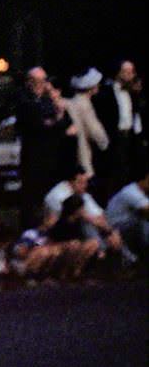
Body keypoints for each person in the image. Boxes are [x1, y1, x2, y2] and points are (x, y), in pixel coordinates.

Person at [15, 66, 70, 232]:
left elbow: (63, 122)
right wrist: (55, 121)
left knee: (49, 197)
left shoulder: (47, 101)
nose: (41, 85)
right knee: (31, 199)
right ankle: (30, 233)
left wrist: (55, 121)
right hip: (33, 159)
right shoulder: (24, 101)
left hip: (50, 157)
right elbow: (39, 125)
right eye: (37, 81)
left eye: (43, 81)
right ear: (29, 83)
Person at [94, 59, 142, 194]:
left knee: (128, 172)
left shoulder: (133, 92)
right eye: (125, 71)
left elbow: (136, 115)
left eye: (131, 72)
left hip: (130, 137)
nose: (129, 75)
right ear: (118, 73)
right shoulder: (107, 92)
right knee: (112, 174)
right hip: (114, 137)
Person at [64, 69, 110, 179]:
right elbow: (96, 132)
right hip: (83, 156)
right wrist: (105, 144)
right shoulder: (84, 105)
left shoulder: (71, 102)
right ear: (91, 88)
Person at [104, 170, 149, 259]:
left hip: (127, 224)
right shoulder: (131, 192)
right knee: (143, 222)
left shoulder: (142, 191)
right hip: (114, 227)